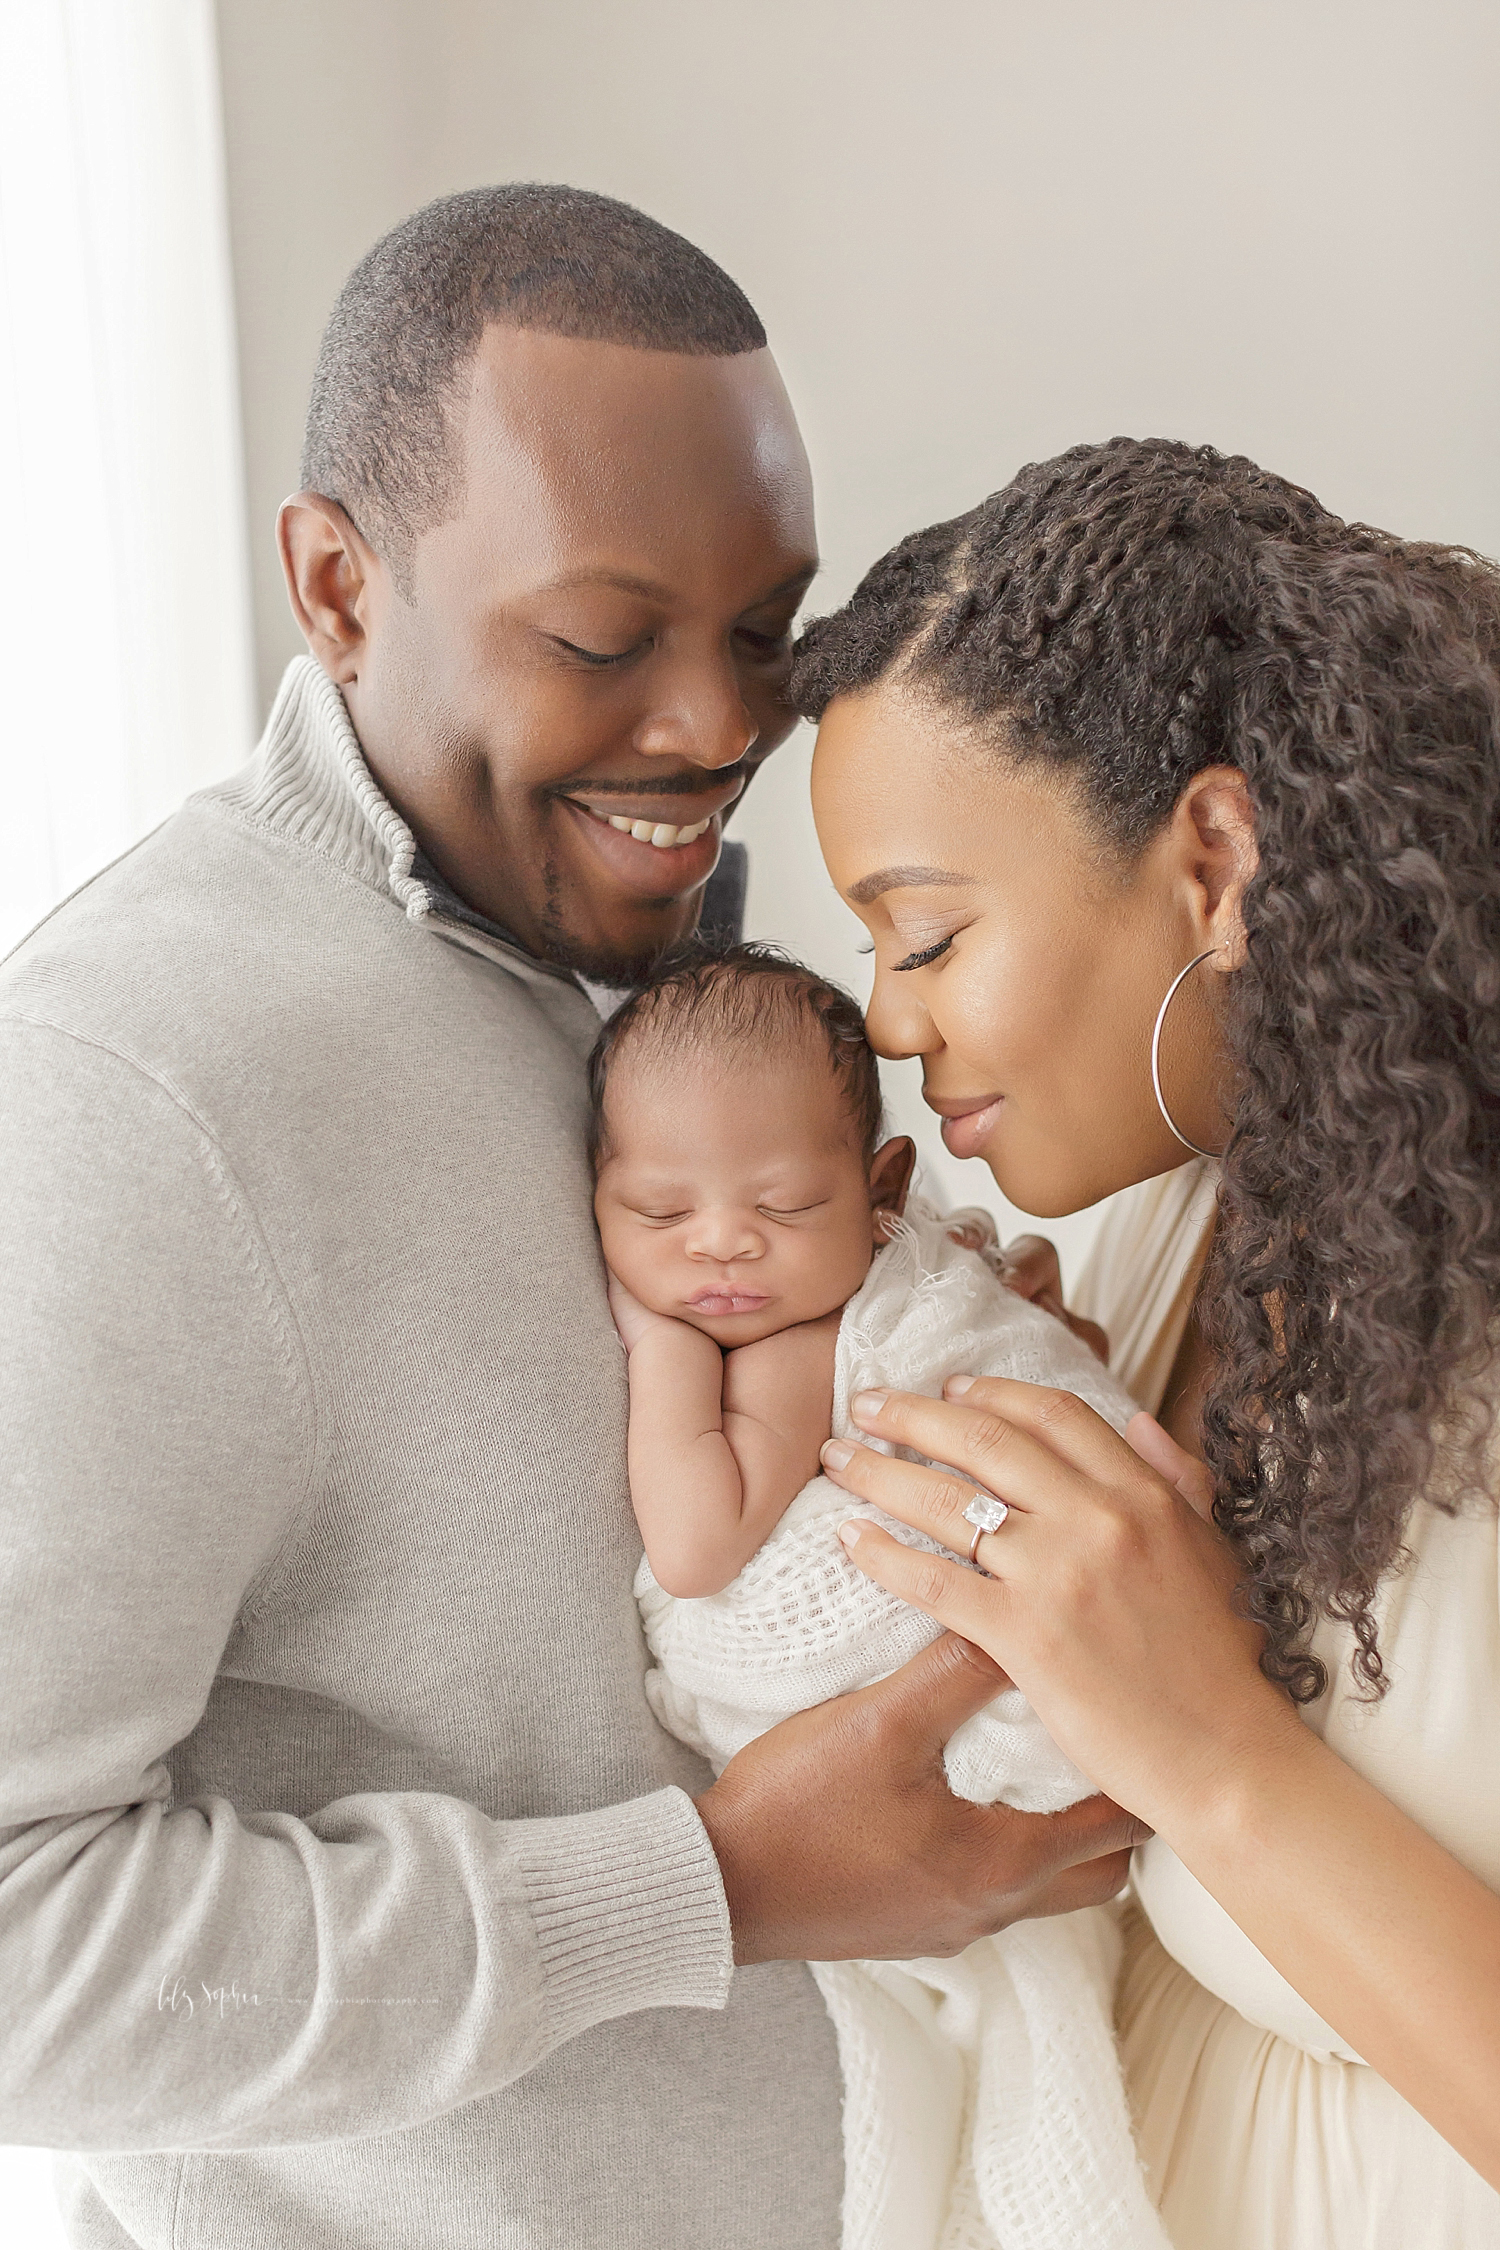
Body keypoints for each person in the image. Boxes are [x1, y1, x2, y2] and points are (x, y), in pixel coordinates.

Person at [0, 188, 1143, 2250]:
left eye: (761, 629)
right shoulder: (130, 1090)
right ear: (338, 587)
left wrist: (900, 1340)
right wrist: (712, 1892)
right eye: (607, 640)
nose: (719, 733)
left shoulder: (608, 948)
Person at [795, 436, 1500, 2247]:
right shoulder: (1147, 1234)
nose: (885, 1013)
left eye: (929, 930)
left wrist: (1213, 1751)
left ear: (1213, 861)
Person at [592, 942, 1167, 2250]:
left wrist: (657, 1341)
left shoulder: (803, 1343)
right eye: (658, 1212)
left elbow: (694, 1548)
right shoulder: (803, 1288)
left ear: (879, 1194)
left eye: (783, 1206)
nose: (721, 1245)